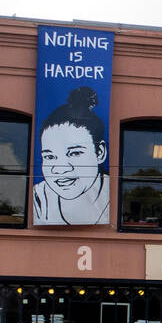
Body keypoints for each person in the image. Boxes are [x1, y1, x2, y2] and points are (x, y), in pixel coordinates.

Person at [34, 86, 110, 225]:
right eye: (49, 157)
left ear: (100, 152)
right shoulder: (39, 197)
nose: (60, 169)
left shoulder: (113, 195)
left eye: (75, 153)